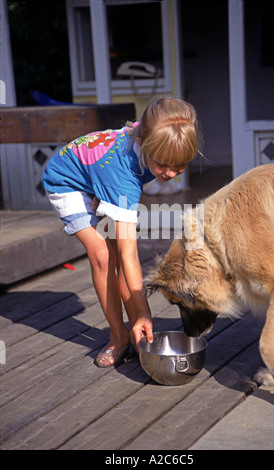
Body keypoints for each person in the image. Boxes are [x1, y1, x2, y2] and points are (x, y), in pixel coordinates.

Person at [41, 96, 201, 367]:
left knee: (119, 251)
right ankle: (118, 337)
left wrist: (140, 313)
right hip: (68, 183)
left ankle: (136, 329)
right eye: (163, 164)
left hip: (99, 178)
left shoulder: (157, 131)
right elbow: (131, 256)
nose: (171, 173)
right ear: (142, 143)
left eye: (180, 165)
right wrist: (147, 312)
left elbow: (128, 259)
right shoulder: (123, 176)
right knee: (105, 255)